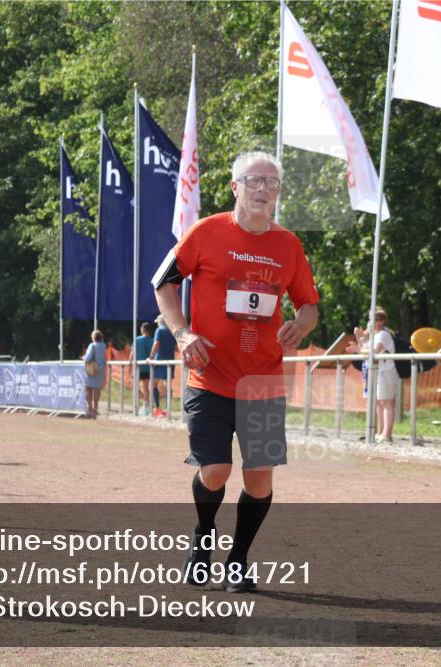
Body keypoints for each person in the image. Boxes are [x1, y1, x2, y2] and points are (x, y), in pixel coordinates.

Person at [153, 151, 319, 593]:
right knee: (216, 471)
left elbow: (309, 303)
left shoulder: (288, 245)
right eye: (254, 180)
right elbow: (162, 281)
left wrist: (302, 324)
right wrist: (182, 333)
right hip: (209, 377)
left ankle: (239, 560)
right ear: (235, 187)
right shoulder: (206, 232)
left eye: (272, 183)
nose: (264, 189)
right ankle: (203, 536)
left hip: (263, 380)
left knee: (260, 477)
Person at [346, 307, 399, 443]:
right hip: (375, 371)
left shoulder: (383, 334)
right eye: (369, 319)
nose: (369, 322)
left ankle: (386, 434)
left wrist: (358, 348)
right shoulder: (374, 335)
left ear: (380, 321)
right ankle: (380, 432)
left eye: (372, 319)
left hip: (385, 371)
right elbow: (365, 348)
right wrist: (360, 338)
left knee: (387, 402)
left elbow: (374, 350)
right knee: (378, 403)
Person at [149, 314, 177, 417]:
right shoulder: (172, 332)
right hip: (170, 360)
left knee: (153, 385)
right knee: (167, 385)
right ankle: (168, 409)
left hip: (159, 360)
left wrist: (151, 356)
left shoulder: (159, 331)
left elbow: (156, 344)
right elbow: (176, 347)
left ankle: (156, 407)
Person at [130, 323, 154, 416]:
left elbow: (132, 352)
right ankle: (145, 404)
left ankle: (142, 403)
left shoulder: (137, 339)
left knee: (134, 386)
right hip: (148, 367)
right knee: (146, 387)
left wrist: (129, 363)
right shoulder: (152, 340)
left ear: (143, 329)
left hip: (138, 367)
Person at [83, 330, 107, 418]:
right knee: (97, 389)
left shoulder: (92, 345)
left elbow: (88, 358)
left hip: (91, 369)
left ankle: (90, 407)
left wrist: (83, 358)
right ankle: (96, 407)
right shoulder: (104, 346)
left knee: (88, 388)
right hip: (100, 369)